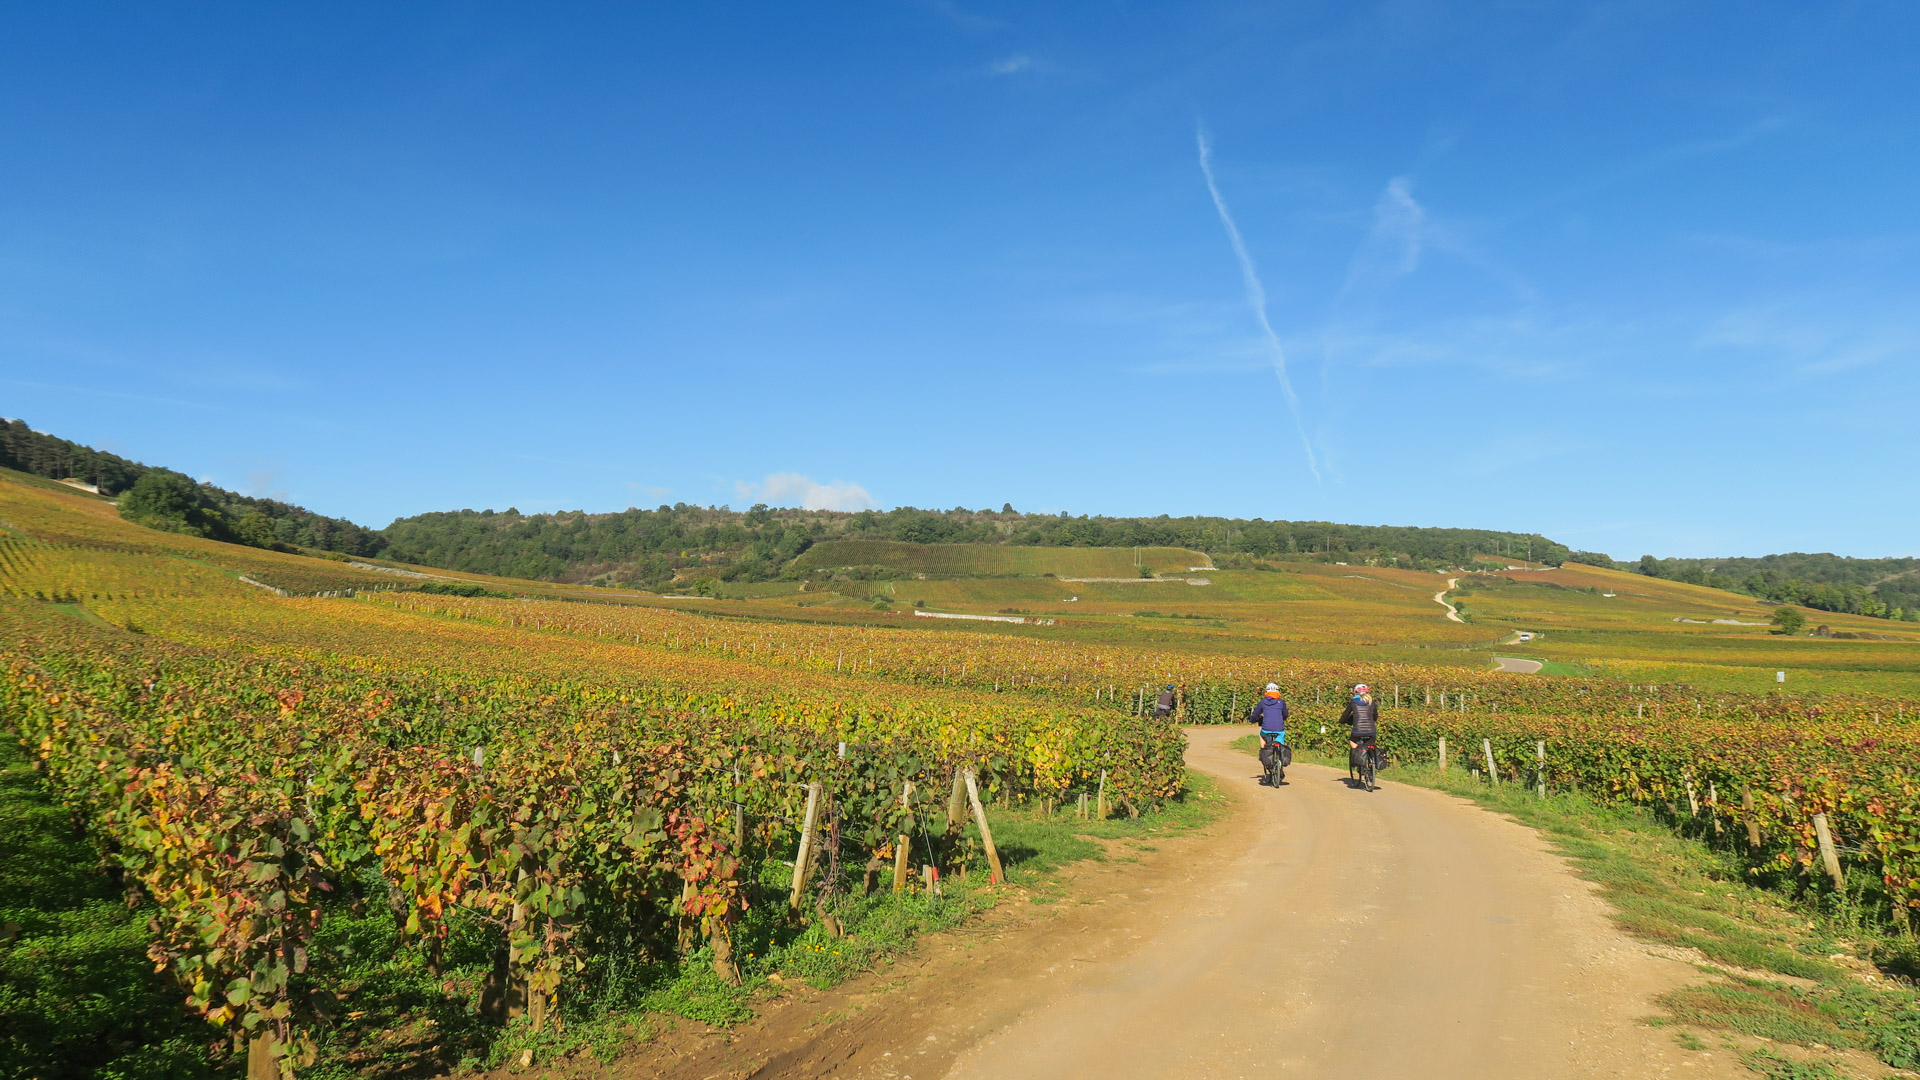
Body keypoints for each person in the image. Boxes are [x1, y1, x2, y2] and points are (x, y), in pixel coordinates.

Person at [1247, 682, 1289, 783]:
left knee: (1262, 736)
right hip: (1279, 729)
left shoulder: (1263, 702)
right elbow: (1285, 714)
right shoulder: (1281, 702)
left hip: (1266, 728)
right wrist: (1282, 719)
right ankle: (1280, 761)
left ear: (1267, 691)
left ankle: (1264, 753)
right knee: (1280, 742)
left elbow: (1256, 713)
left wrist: (1252, 719)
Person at [1340, 683, 1379, 781]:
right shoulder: (1372, 702)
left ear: (1355, 692)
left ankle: (1357, 760)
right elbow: (1375, 717)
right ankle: (1371, 768)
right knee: (1371, 746)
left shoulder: (1353, 702)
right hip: (1371, 731)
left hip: (1357, 731)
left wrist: (1341, 721)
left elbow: (1346, 714)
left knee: (1353, 741)